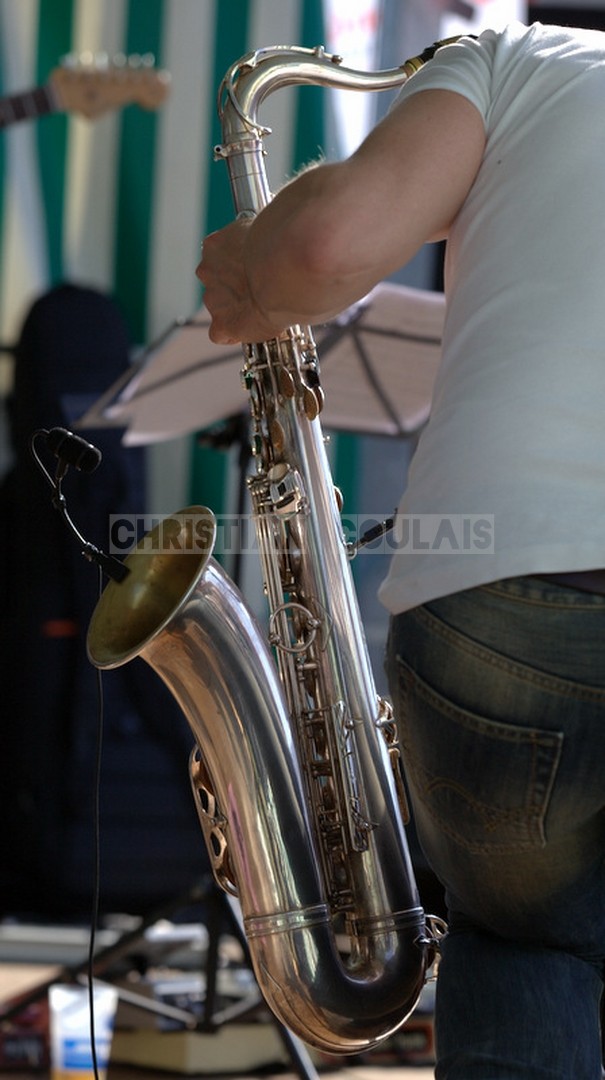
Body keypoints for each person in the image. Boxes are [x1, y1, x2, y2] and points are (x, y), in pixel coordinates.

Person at [196, 21, 605, 1079]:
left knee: (525, 948)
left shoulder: (526, 58)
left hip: (511, 583)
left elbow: (322, 251)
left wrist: (243, 260)